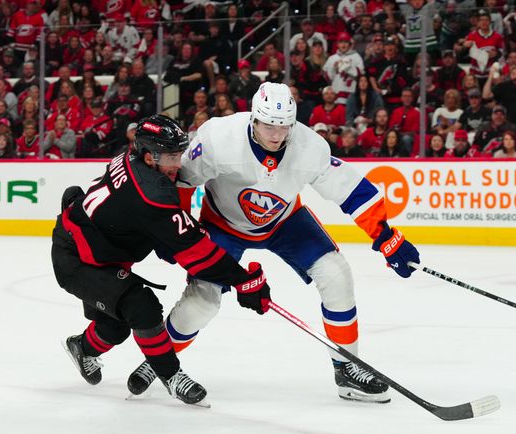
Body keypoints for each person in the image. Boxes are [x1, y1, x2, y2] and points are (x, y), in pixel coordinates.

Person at [126, 83, 420, 403]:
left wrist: (386, 235)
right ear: (253, 119)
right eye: (269, 125)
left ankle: (347, 369)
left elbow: (349, 189)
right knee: (202, 303)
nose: (277, 135)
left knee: (337, 275)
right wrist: (176, 232)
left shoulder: (309, 146)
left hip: (285, 222)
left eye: (284, 126)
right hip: (223, 224)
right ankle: (159, 361)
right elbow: (181, 181)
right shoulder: (218, 138)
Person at [51, 114, 272, 406]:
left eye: (179, 154)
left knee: (116, 326)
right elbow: (196, 252)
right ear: (148, 155)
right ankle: (172, 376)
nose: (178, 164)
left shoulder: (134, 162)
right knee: (141, 306)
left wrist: (176, 234)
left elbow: (164, 234)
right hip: (78, 260)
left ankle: (82, 347)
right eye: (171, 156)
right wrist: (244, 280)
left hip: (93, 247)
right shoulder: (150, 193)